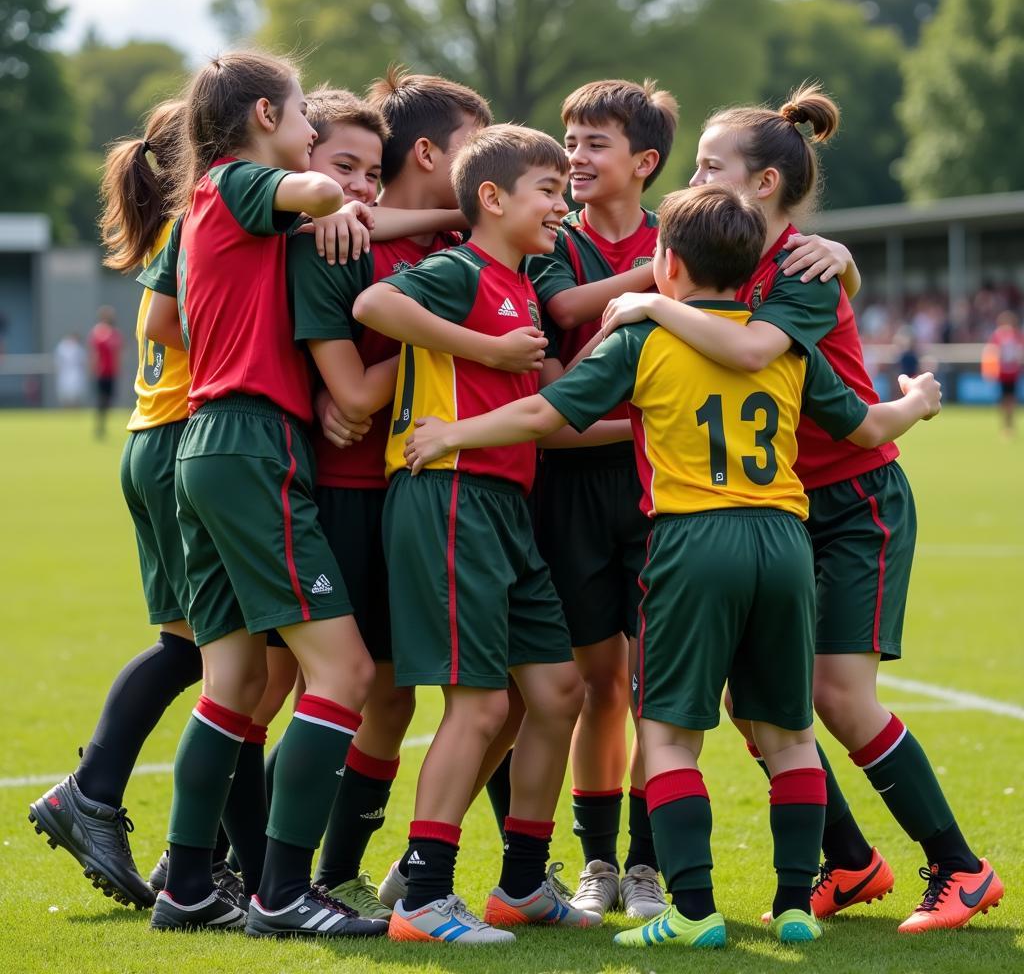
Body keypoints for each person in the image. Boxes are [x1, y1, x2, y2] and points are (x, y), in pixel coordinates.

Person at [402, 183, 944, 948]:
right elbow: (864, 428)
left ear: (666, 266)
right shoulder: (782, 342)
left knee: (665, 736)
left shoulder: (644, 337)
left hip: (694, 541)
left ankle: (691, 912)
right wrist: (919, 400)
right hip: (787, 540)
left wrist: (452, 434)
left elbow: (542, 415)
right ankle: (794, 907)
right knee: (788, 733)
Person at [601, 83, 1004, 933]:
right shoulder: (722, 255)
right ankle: (851, 861)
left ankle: (960, 869)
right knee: (760, 706)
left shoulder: (805, 270)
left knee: (838, 697)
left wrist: (650, 303)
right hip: (777, 516)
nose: (693, 176)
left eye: (711, 164)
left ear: (766, 186)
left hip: (855, 500)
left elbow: (750, 349)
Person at [139, 50, 388, 938]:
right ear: (257, 116)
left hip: (207, 447)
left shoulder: (212, 206)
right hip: (252, 444)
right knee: (346, 671)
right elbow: (318, 196)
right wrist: (337, 208)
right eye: (300, 117)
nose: (313, 133)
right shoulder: (236, 180)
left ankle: (190, 886)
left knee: (236, 680)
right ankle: (283, 892)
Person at [353, 124, 593, 944]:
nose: (562, 206)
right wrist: (486, 346)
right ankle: (422, 899)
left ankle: (523, 885)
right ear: (491, 199)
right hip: (449, 498)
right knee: (481, 702)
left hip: (506, 510)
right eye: (548, 191)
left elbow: (550, 419)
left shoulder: (527, 291)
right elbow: (374, 303)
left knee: (558, 693)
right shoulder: (461, 271)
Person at [291, 75, 518, 921]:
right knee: (305, 688)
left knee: (392, 696)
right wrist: (447, 358)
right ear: (429, 153)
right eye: (474, 138)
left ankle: (336, 872)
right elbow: (350, 396)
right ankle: (248, 867)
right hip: (338, 493)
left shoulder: (462, 240)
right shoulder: (348, 237)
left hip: (412, 494)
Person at [29, 101, 205, 913]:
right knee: (218, 656)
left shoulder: (179, 230)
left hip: (156, 441)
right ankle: (95, 796)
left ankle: (176, 840)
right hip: (179, 442)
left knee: (206, 652)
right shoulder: (198, 231)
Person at [523, 78, 676, 920]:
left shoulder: (679, 236)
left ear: (644, 162)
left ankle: (648, 867)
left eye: (593, 144)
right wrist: (659, 274)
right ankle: (597, 863)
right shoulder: (554, 239)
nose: (574, 158)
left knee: (659, 683)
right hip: (570, 486)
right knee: (596, 686)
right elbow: (555, 307)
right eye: (569, 141)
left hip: (661, 487)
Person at [985, 311, 1023, 435]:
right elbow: (992, 353)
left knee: (1010, 400)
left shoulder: (1016, 335)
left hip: (1012, 373)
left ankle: (1009, 425)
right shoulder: (998, 336)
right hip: (1003, 373)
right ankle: (1006, 426)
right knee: (1005, 400)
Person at [88, 306, 123, 438]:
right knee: (101, 399)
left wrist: (118, 369)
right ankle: (99, 426)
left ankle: (102, 426)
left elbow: (118, 354)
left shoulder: (115, 333)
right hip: (101, 372)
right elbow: (95, 354)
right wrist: (93, 370)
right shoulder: (98, 332)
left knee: (108, 400)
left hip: (111, 373)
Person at [54, 333, 88, 407]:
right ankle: (67, 411)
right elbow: (58, 362)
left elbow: (83, 362)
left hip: (77, 375)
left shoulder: (79, 349)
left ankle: (76, 410)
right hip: (65, 374)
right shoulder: (62, 347)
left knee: (76, 395)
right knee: (65, 395)